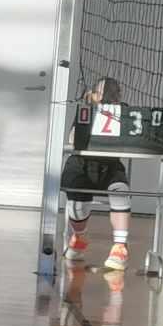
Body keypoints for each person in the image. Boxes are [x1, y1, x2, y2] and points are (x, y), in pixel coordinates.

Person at [64, 75, 135, 272]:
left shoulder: (125, 112)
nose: (108, 97)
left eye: (113, 93)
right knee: (77, 201)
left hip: (110, 166)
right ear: (94, 94)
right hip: (81, 164)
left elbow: (133, 139)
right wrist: (89, 108)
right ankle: (79, 237)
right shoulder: (86, 111)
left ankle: (120, 248)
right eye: (103, 93)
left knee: (121, 191)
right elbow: (72, 139)